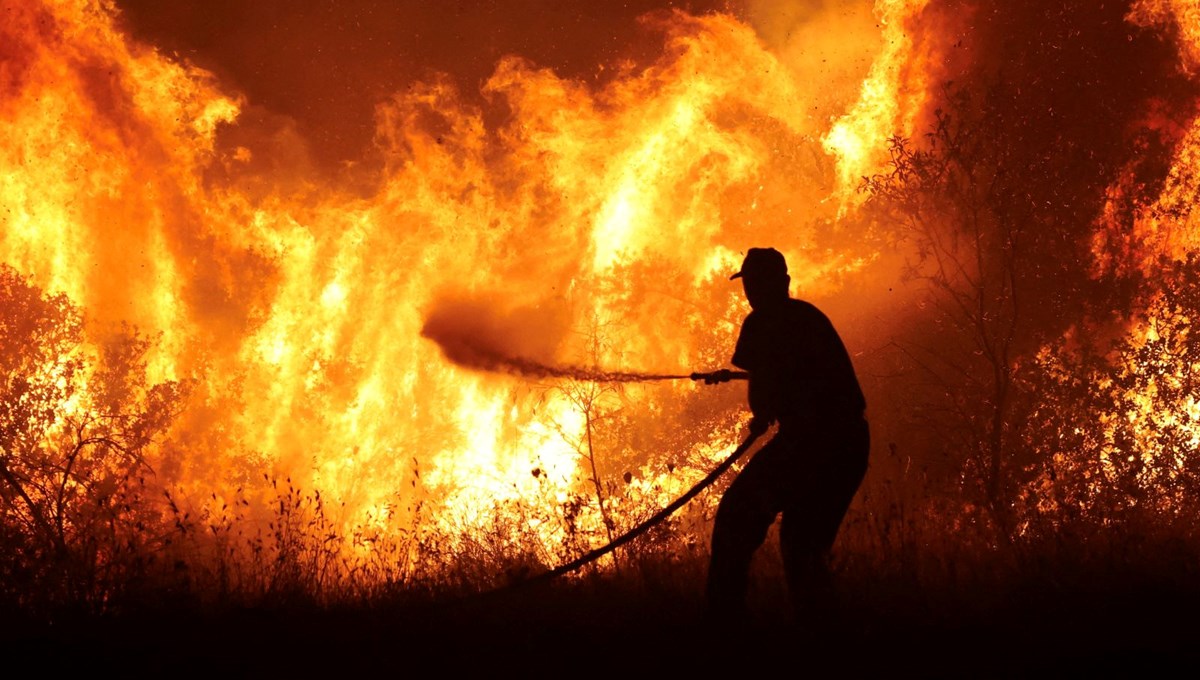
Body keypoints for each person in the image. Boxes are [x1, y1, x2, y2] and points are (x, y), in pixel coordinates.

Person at [703, 247, 869, 623]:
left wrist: (761, 413)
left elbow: (764, 399)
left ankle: (721, 626)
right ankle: (821, 637)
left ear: (777, 283)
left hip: (811, 443)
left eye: (753, 283)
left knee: (736, 516)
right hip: (850, 444)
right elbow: (803, 375)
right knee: (804, 546)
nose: (750, 291)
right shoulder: (808, 316)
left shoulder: (761, 322)